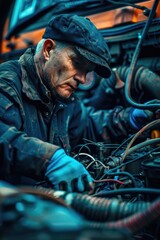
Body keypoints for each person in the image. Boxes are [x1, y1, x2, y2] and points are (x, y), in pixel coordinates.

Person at [0, 14, 156, 193]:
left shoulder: (60, 96)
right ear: (48, 49)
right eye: (76, 63)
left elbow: (86, 124)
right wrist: (49, 159)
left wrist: (131, 118)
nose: (82, 79)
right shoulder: (7, 83)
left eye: (87, 71)